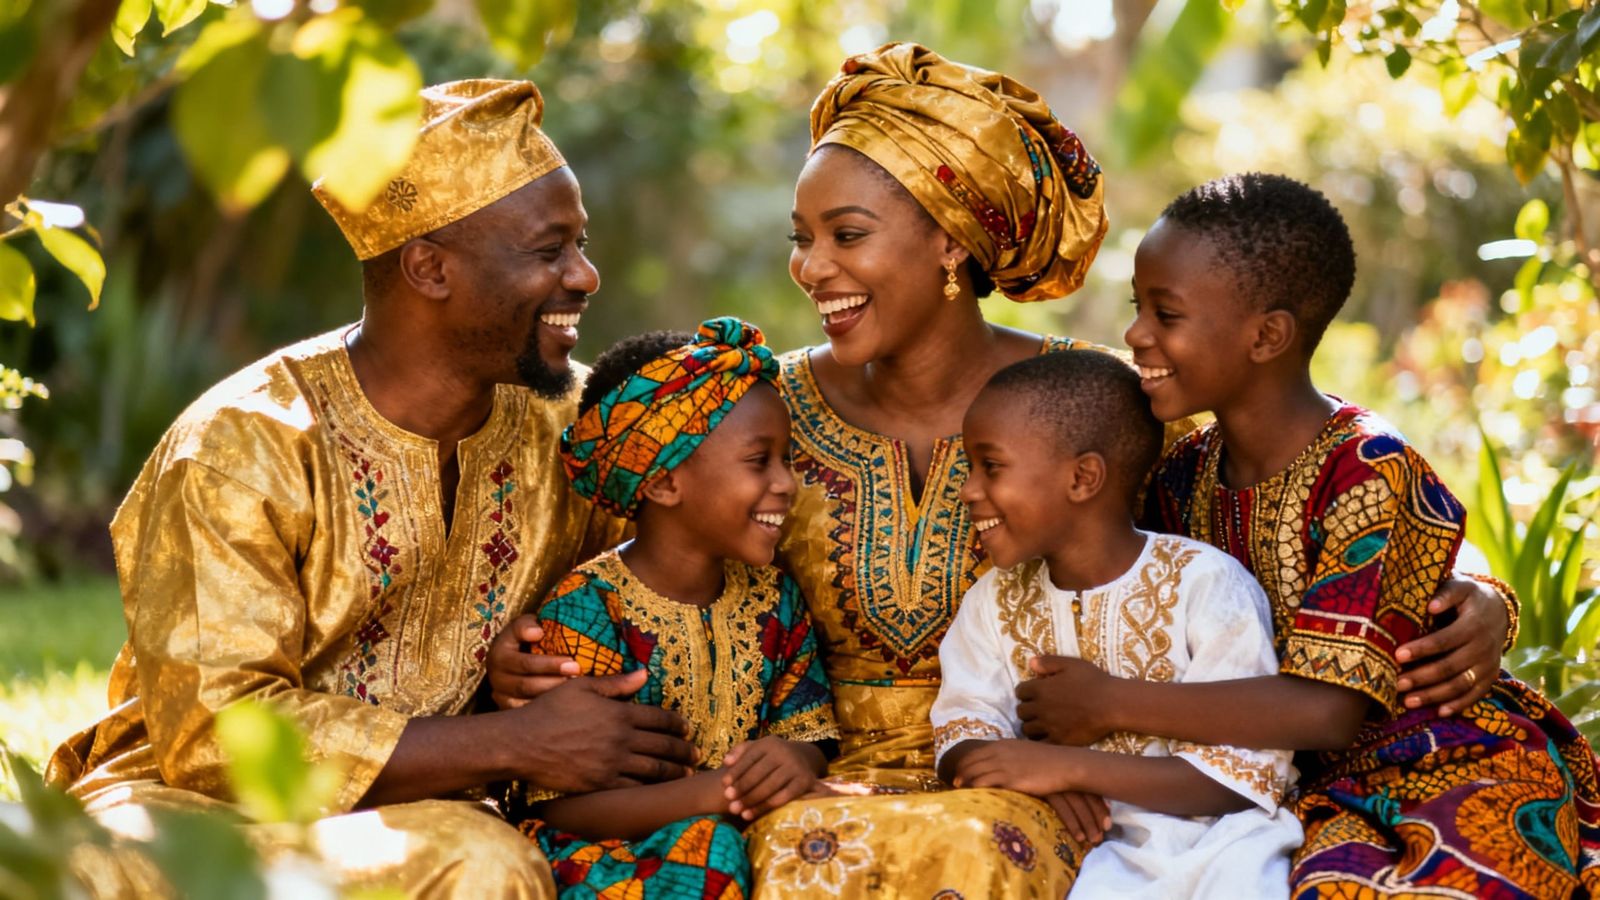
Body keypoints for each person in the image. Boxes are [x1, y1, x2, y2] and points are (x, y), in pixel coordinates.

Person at [739, 42, 1512, 897]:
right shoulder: (763, 408)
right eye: (801, 238)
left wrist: (1482, 598)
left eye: (847, 235)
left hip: (1096, 792)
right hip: (844, 776)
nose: (810, 267)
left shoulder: (1093, 400)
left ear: (952, 244)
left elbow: (1334, 489)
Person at [44, 79, 698, 898]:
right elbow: (219, 735)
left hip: (439, 811)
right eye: (549, 250)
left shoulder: (571, 429)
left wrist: (540, 661)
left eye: (581, 244)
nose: (585, 276)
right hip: (186, 811)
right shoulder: (243, 443)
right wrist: (514, 743)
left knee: (487, 854)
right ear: (428, 268)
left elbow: (678, 549)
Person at [1033, 172, 1600, 897]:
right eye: (1138, 307)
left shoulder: (1368, 467)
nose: (1136, 334)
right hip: (1295, 790)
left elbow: (1330, 710)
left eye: (1165, 313)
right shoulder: (1178, 476)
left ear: (1267, 335)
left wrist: (1109, 702)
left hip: (1451, 760)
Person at [933, 349, 1302, 898]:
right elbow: (963, 728)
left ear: (1083, 478)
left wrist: (1062, 769)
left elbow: (1243, 778)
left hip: (1221, 844)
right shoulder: (993, 599)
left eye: (990, 466)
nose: (967, 489)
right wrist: (1030, 779)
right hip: (1075, 846)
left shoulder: (1205, 584)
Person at [505, 319, 837, 898]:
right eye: (760, 461)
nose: (786, 483)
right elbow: (564, 811)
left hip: (745, 833)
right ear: (661, 482)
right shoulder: (584, 609)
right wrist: (721, 796)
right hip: (604, 863)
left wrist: (793, 760)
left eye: (789, 459)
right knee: (710, 850)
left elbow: (806, 734)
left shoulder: (775, 599)